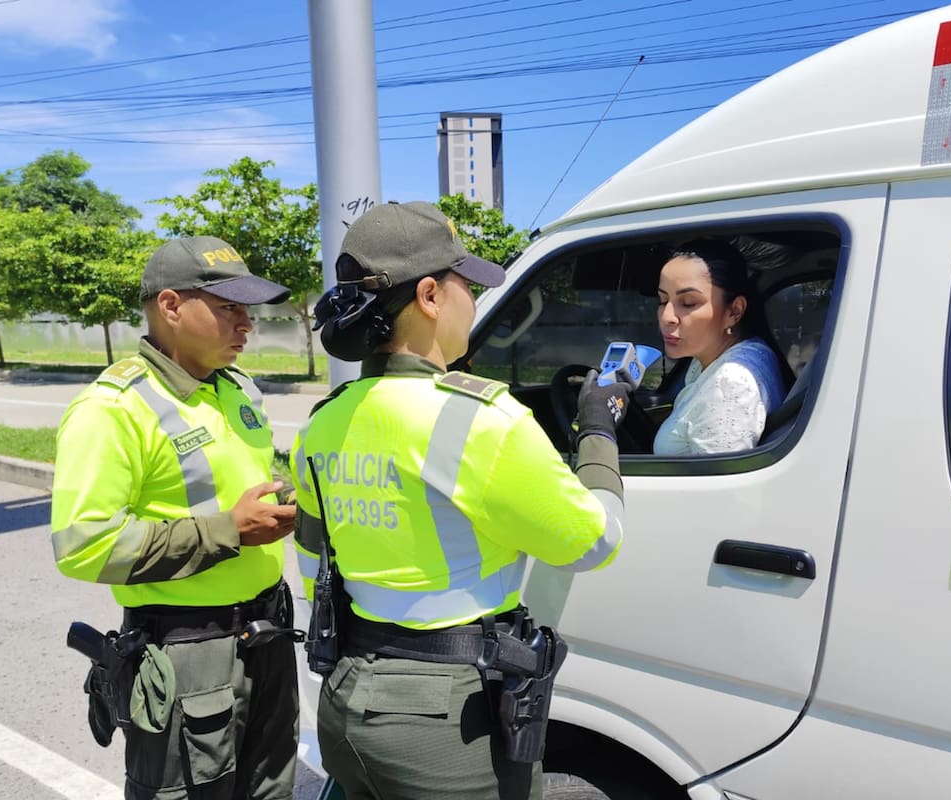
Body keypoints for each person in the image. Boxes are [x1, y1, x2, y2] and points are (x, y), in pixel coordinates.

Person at [291, 200, 632, 800]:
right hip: (446, 723)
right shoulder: (482, 420)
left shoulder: (324, 421)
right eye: (465, 284)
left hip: (346, 700)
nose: (473, 301)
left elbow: (316, 556)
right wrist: (599, 433)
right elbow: (595, 542)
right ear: (429, 295)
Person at [50, 236, 301, 800]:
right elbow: (84, 545)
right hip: (187, 652)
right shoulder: (112, 409)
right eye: (228, 307)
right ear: (170, 307)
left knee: (271, 790)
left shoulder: (238, 390)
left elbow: (238, 482)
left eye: (248, 309)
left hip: (266, 635)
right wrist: (230, 530)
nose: (247, 324)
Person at [653, 237, 789, 455]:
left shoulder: (729, 382)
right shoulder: (730, 356)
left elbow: (714, 486)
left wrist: (599, 433)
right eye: (662, 300)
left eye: (688, 303)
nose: (666, 317)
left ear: (734, 311)